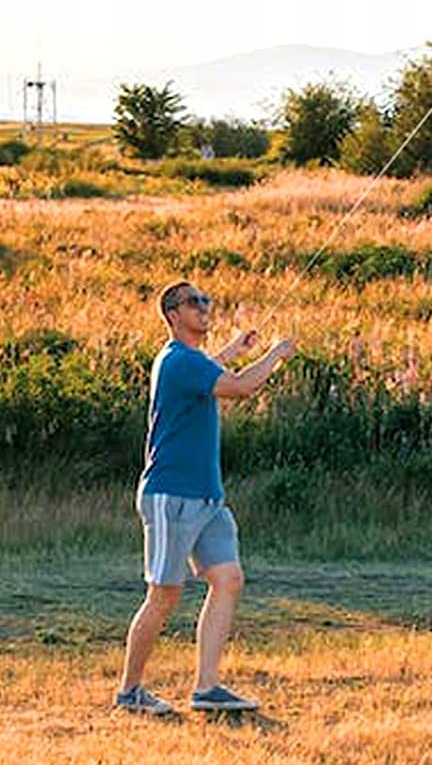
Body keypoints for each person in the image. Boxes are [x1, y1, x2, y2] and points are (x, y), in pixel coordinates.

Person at [114, 281, 296, 716]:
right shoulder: (177, 360)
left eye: (207, 301)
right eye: (194, 303)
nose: (204, 308)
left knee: (228, 579)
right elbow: (238, 388)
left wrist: (234, 348)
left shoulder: (188, 362)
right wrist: (273, 354)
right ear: (173, 315)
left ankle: (207, 687)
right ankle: (129, 692)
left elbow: (211, 373)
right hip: (171, 495)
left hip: (207, 498)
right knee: (164, 595)